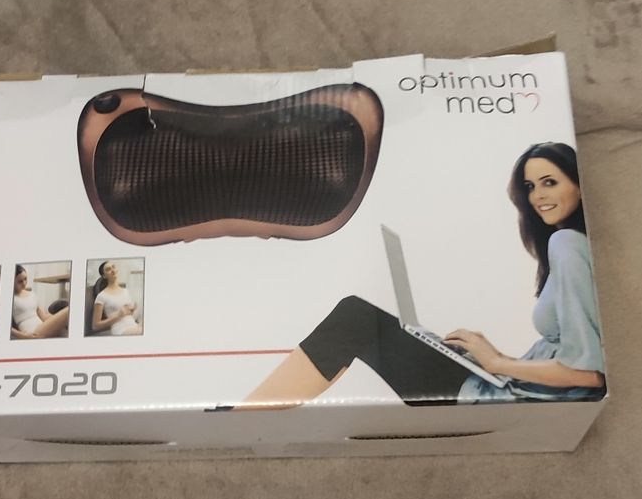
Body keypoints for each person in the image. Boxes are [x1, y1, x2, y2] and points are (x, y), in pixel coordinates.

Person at [237, 142, 606, 409]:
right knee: (366, 322)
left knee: (355, 320)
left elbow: (588, 375)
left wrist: (496, 364)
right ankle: (250, 415)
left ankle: (247, 417)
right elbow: (572, 357)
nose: (537, 196)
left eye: (549, 182)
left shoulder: (567, 244)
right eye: (530, 186)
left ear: (578, 183)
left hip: (503, 403)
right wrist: (496, 357)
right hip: (510, 389)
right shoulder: (574, 245)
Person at [11, 264, 70, 339]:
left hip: (42, 327)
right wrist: (24, 336)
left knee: (66, 324)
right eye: (20, 281)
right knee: (68, 310)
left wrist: (58, 318)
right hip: (32, 333)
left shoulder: (32, 294)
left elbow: (43, 317)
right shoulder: (11, 298)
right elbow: (4, 325)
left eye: (25, 279)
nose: (24, 283)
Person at [91, 262, 142, 336]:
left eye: (113, 267)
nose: (113, 270)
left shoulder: (126, 291)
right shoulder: (101, 296)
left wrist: (133, 310)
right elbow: (95, 326)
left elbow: (131, 316)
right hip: (120, 329)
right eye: (108, 269)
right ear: (104, 276)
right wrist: (118, 315)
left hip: (133, 325)